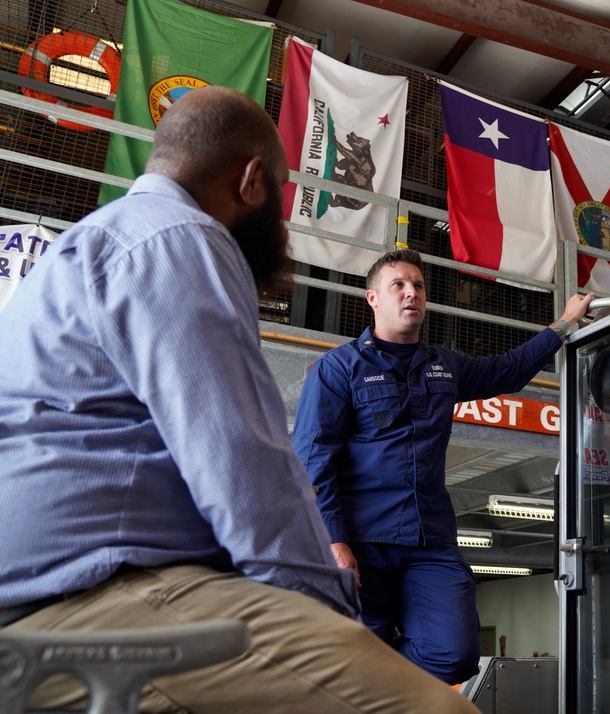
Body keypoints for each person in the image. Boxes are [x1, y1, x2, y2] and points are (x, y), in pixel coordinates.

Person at [0, 86, 475, 713]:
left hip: (56, 595)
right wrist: (330, 619)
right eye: (281, 191)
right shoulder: (182, 239)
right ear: (252, 181)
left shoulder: (89, 242)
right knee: (439, 710)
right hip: (99, 597)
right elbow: (246, 467)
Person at [292, 248, 594, 683]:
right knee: (351, 656)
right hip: (362, 543)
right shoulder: (338, 369)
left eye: (417, 286)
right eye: (398, 285)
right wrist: (334, 542)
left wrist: (563, 325)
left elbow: (506, 371)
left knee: (456, 654)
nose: (411, 293)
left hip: (429, 540)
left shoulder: (443, 366)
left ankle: (379, 678)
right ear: (372, 298)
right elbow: (312, 460)